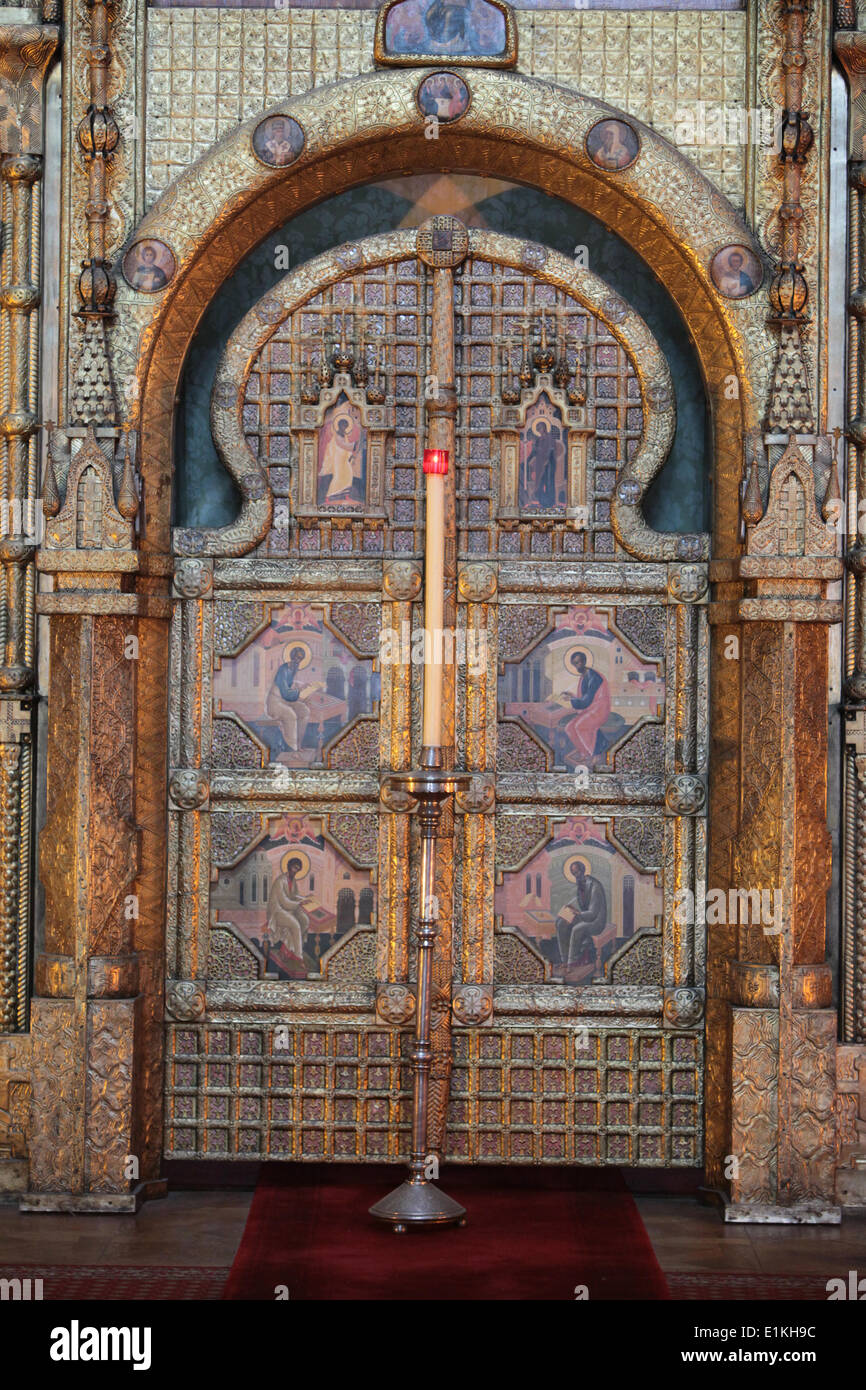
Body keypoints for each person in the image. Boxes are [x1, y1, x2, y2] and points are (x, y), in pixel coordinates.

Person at [554, 861, 608, 972]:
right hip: (586, 917)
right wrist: (570, 911)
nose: (576, 875)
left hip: (597, 921)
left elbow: (593, 913)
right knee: (561, 923)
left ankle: (572, 963)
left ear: (583, 870)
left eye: (577, 872)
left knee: (577, 929)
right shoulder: (580, 885)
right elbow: (581, 906)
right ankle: (564, 960)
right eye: (573, 873)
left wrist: (577, 914)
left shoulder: (595, 886)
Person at [562, 649, 611, 762]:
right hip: (590, 709)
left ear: (584, 661)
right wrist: (572, 696)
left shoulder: (594, 677)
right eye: (575, 663)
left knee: (580, 725)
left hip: (599, 710)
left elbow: (586, 701)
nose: (577, 665)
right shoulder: (584, 676)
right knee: (569, 728)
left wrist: (571, 699)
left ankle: (595, 753)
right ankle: (584, 751)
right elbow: (584, 698)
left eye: (579, 662)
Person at [266, 645, 311, 752]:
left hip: (285, 701)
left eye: (300, 659)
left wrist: (301, 686)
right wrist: (299, 690)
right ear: (291, 657)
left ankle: (298, 744)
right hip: (275, 702)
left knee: (304, 711)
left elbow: (290, 684)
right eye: (296, 657)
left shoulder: (293, 669)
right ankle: (292, 749)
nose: (298, 661)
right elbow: (285, 692)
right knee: (291, 715)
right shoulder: (283, 669)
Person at [266, 857, 310, 963]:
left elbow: (294, 895)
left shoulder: (292, 880)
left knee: (305, 920)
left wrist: (306, 899)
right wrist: (300, 903)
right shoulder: (280, 881)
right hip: (277, 911)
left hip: (289, 908)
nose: (296, 871)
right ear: (289, 867)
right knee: (295, 924)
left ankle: (287, 949)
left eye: (298, 869)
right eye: (295, 868)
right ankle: (298, 957)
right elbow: (284, 902)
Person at [318, 411, 364, 503]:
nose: (345, 428)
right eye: (343, 426)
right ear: (339, 425)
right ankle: (329, 495)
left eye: (346, 426)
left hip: (344, 459)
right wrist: (354, 444)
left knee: (349, 474)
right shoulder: (337, 436)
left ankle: (345, 495)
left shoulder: (344, 435)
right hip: (338, 460)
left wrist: (351, 454)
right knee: (338, 476)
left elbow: (346, 447)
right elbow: (342, 445)